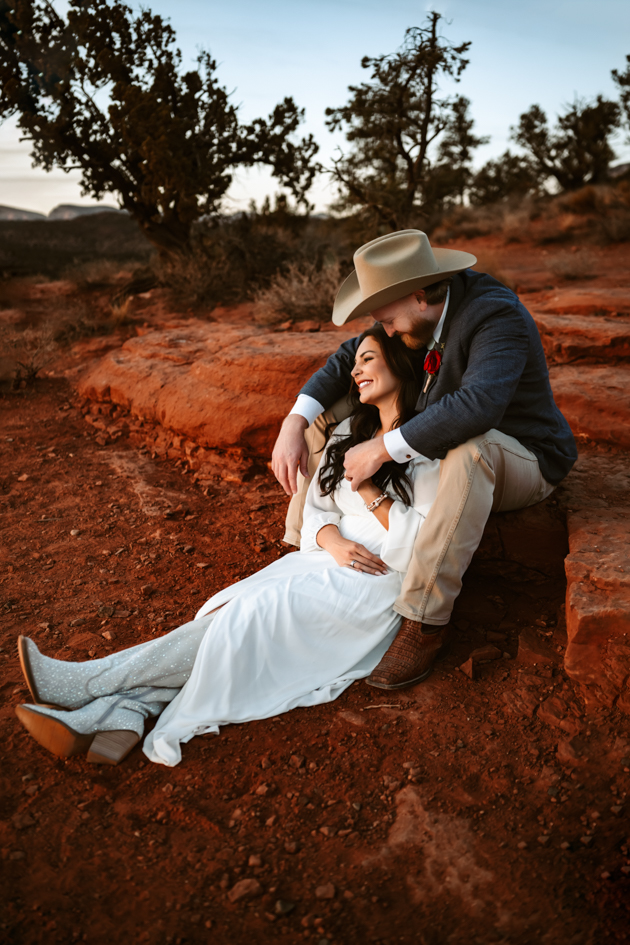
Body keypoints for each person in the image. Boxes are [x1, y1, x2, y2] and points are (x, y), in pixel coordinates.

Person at [15, 326, 441, 768]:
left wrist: (370, 486)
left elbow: (419, 543)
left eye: (368, 359)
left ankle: (88, 682)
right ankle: (125, 711)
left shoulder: (425, 443)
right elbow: (317, 507)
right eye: (355, 361)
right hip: (323, 559)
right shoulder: (351, 429)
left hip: (373, 580)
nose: (354, 370)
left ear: (400, 363)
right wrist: (329, 539)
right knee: (227, 612)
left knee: (246, 619)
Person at [272, 229, 577, 690]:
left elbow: (480, 406)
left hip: (522, 456)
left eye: (389, 320)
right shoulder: (416, 317)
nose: (386, 330)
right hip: (441, 453)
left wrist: (380, 448)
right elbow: (345, 359)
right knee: (324, 414)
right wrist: (293, 421)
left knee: (471, 449)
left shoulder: (495, 314)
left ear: (419, 296)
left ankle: (424, 621)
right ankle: (306, 539)